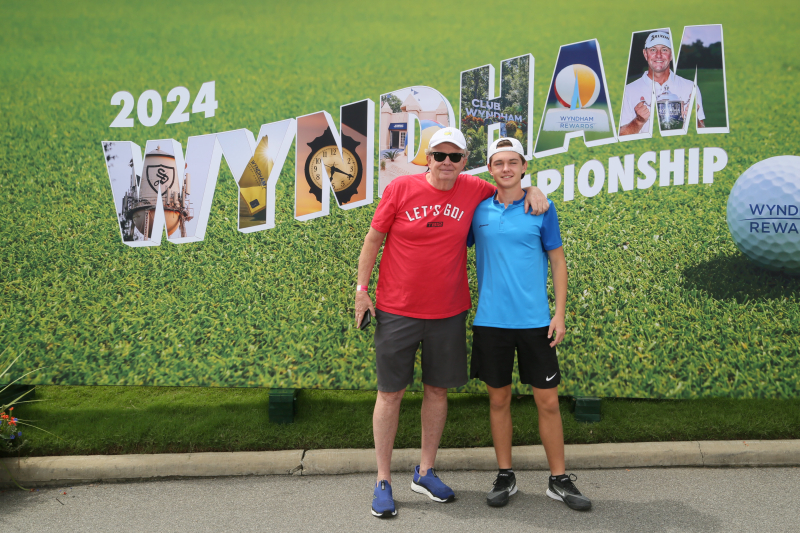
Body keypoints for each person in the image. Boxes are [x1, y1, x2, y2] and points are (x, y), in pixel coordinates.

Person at [355, 127, 550, 518]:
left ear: (465, 161)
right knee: (390, 394)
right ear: (428, 158)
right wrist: (362, 290)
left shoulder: (473, 189)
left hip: (448, 312)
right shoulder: (400, 189)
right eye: (439, 155)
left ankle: (425, 471)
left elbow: (508, 187)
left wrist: (532, 190)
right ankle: (383, 480)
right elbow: (373, 239)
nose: (447, 162)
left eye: (455, 156)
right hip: (397, 309)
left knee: (437, 391)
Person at [468, 137, 591, 511]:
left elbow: (558, 261)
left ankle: (558, 479)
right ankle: (505, 475)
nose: (506, 168)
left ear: (524, 167)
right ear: (490, 169)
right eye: (498, 162)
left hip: (536, 322)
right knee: (498, 399)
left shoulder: (542, 208)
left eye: (513, 162)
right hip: (491, 322)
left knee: (548, 401)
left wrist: (559, 314)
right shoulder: (478, 210)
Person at [619, 31, 705, 136]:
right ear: (645, 54)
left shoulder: (690, 87)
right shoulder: (627, 91)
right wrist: (638, 121)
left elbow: (702, 133)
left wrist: (694, 119)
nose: (658, 55)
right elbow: (620, 136)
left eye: (664, 49)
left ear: (671, 55)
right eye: (653, 49)